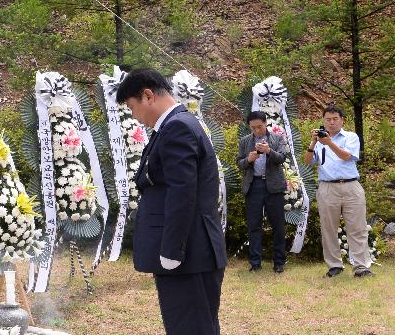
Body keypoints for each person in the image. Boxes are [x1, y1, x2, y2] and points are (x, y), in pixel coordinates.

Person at [116, 68, 227, 335]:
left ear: (147, 95)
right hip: (191, 252)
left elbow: (182, 192)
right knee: (195, 326)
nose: (134, 116)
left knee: (191, 327)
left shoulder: (177, 127)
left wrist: (172, 251)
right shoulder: (175, 125)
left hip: (188, 254)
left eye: (132, 107)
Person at [305, 106, 374, 278]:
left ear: (342, 120)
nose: (332, 122)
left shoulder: (350, 137)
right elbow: (307, 162)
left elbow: (345, 156)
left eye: (335, 118)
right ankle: (334, 265)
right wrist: (313, 142)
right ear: (323, 121)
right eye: (328, 119)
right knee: (328, 229)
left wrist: (329, 143)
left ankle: (361, 267)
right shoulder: (319, 141)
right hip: (327, 187)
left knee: (357, 227)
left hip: (351, 186)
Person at [236, 111, 288, 273]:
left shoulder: (277, 138)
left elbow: (282, 158)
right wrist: (249, 160)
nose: (257, 130)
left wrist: (268, 151)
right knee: (254, 226)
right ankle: (255, 262)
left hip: (273, 186)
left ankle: (279, 262)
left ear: (266, 124)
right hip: (254, 185)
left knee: (278, 225)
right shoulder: (245, 141)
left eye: (260, 126)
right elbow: (240, 163)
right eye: (253, 128)